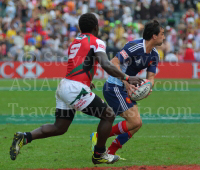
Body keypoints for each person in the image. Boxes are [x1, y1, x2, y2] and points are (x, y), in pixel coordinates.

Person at [9, 13, 142, 165]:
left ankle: (25, 137)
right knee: (109, 115)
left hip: (65, 85)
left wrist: (86, 81)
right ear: (96, 27)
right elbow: (105, 64)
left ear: (80, 27)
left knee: (60, 127)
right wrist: (126, 77)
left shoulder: (75, 41)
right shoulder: (96, 41)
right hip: (74, 88)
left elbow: (80, 63)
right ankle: (99, 154)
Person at [91, 20, 165, 156]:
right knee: (134, 121)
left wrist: (148, 86)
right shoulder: (134, 46)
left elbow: (152, 76)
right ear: (154, 36)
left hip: (125, 88)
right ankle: (99, 136)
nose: (164, 37)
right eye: (162, 34)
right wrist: (125, 80)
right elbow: (114, 62)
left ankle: (110, 151)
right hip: (114, 86)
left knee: (137, 124)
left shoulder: (154, 55)